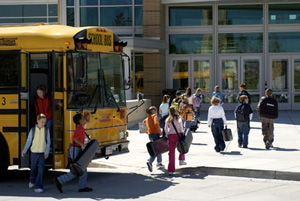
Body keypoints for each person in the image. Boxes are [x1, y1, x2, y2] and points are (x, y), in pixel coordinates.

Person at [55, 113, 93, 193]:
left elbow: (86, 123)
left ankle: (80, 186)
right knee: (78, 169)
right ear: (79, 121)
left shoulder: (80, 127)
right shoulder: (79, 129)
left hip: (76, 149)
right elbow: (74, 138)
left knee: (81, 169)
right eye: (83, 118)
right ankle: (61, 180)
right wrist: (82, 144)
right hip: (75, 149)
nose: (84, 119)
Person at [21, 114, 51, 193]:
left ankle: (39, 186)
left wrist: (46, 152)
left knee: (41, 170)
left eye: (44, 122)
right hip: (33, 153)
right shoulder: (33, 130)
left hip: (42, 153)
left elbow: (48, 142)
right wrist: (24, 151)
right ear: (37, 121)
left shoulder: (46, 130)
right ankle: (32, 179)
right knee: (33, 168)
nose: (43, 124)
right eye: (42, 122)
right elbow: (28, 141)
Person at [164, 106, 186, 175]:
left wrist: (167, 134)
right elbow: (181, 126)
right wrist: (182, 132)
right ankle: (181, 159)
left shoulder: (168, 119)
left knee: (171, 153)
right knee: (182, 147)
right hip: (178, 135)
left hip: (170, 136)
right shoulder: (178, 118)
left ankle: (171, 170)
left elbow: (165, 129)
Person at [144, 106, 164, 172]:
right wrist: (160, 132)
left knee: (156, 148)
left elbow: (143, 122)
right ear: (153, 111)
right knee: (157, 149)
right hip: (155, 133)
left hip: (150, 134)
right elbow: (156, 124)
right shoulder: (154, 116)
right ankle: (151, 161)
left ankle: (159, 162)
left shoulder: (148, 117)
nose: (156, 111)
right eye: (155, 110)